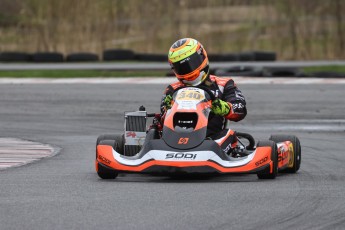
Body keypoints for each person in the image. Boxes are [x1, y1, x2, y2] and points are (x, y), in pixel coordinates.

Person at [158, 38, 247, 155]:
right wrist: (166, 106)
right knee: (153, 131)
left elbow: (240, 109)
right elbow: (163, 115)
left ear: (202, 57)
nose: (188, 70)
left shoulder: (223, 84)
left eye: (191, 63)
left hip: (212, 139)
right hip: (173, 139)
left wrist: (224, 107)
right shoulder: (173, 89)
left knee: (228, 134)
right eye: (181, 67)